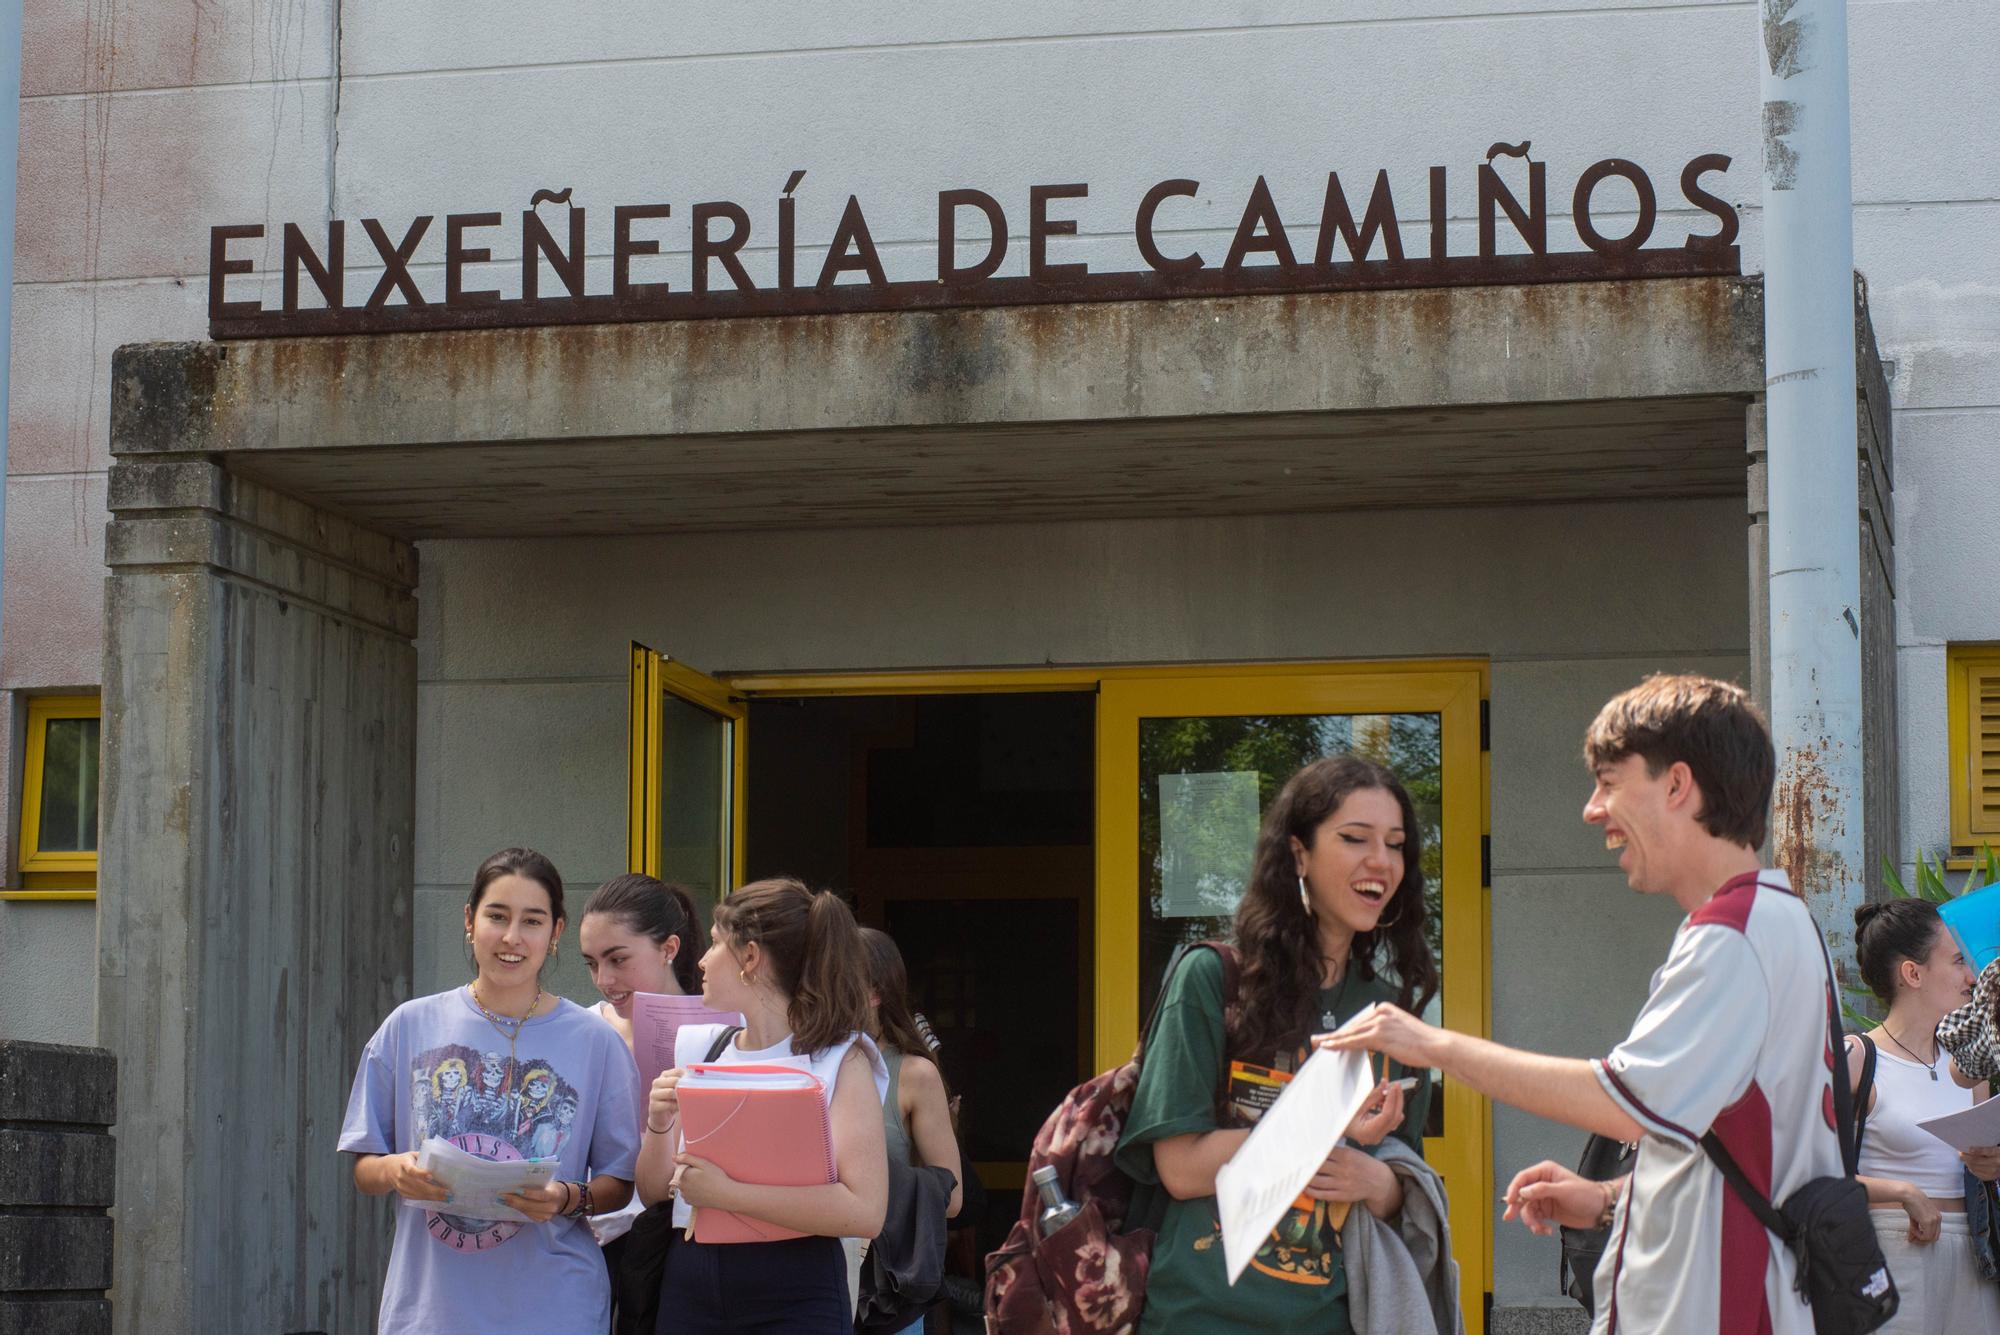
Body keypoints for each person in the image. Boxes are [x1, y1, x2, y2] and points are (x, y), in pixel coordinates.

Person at [1322, 673, 1843, 1334]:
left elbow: (1621, 1101)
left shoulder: (1731, 937)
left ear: (1677, 785)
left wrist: (1431, 1042)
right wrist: (1602, 1199)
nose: (1593, 809)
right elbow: (1734, 1151)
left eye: (1608, 780)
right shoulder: (1782, 921)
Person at [1113, 755, 1438, 1334]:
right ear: (1298, 855)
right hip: (1201, 1317)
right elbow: (1182, 1168)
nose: (1381, 861)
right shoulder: (1214, 979)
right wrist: (1322, 1131)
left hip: (1336, 1318)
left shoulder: (1391, 1017)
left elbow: (1401, 1184)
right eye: (1355, 838)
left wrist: (1382, 1185)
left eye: (1395, 844)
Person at [339, 848, 642, 1335]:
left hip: (557, 1307)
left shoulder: (595, 1041)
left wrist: (566, 1197)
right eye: (497, 916)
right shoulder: (409, 1025)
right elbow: (364, 1167)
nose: (511, 937)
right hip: (432, 1311)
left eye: (532, 921)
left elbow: (619, 1183)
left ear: (556, 932)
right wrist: (397, 1170)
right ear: (469, 919)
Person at [635, 878, 890, 1333]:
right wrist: (658, 1125)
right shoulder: (699, 1048)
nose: (702, 961)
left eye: (715, 944)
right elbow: (654, 1191)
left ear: (750, 957)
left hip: (797, 1285)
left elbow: (865, 1211)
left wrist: (726, 1194)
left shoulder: (840, 1059)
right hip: (691, 1278)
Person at [1847, 898, 2000, 1331]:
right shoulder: (1858, 1058)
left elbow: (1981, 1165)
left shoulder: (1969, 1066)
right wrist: (1903, 1192)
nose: (1972, 977)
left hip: (1975, 1252)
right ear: (1913, 974)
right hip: (1892, 1251)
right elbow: (1805, 1171)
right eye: (1957, 962)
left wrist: (1992, 1166)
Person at [577, 873, 703, 1323]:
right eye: (591, 963)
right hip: (595, 1240)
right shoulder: (582, 1030)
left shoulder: (724, 1030)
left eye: (618, 959)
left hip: (685, 1240)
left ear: (669, 948)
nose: (604, 979)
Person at [858, 926, 965, 1331]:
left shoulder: (913, 1073)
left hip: (882, 1288)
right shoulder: (802, 1061)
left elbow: (952, 1196)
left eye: (833, 979)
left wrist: (861, 1181)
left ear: (875, 993)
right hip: (806, 1276)